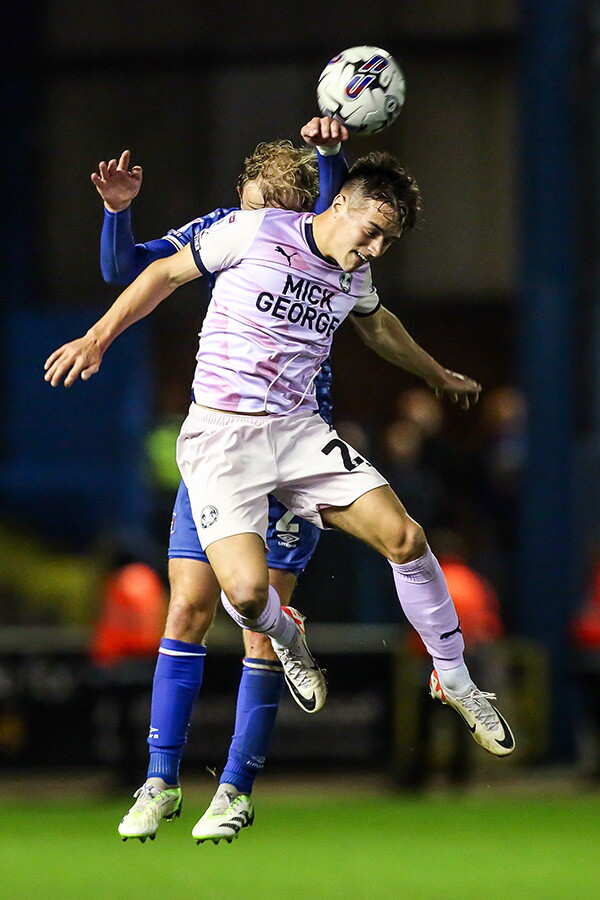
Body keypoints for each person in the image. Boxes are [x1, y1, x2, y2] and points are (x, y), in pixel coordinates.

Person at [45, 149, 516, 834]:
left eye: (389, 240)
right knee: (235, 600)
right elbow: (159, 271)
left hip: (297, 436)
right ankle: (260, 660)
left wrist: (434, 371)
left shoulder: (353, 271)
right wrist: (98, 335)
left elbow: (377, 322)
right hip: (222, 442)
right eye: (372, 230)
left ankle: (457, 680)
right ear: (341, 203)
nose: (376, 247)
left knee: (406, 536)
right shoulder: (249, 231)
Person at [87, 118, 349, 844]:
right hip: (220, 449)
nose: (258, 220)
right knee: (187, 611)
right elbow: (132, 270)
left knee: (258, 627)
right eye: (253, 203)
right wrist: (117, 214)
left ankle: (235, 788)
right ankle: (159, 781)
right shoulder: (234, 227)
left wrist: (333, 157)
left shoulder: (325, 245)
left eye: (274, 207)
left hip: (289, 462)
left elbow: (337, 217)